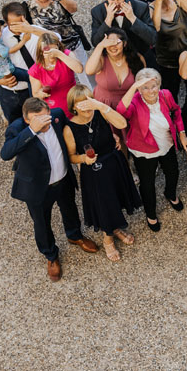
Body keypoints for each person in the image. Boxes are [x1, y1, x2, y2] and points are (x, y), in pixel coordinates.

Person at [0, 98, 99, 281]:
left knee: (70, 209)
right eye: (38, 119)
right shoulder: (18, 128)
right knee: (41, 222)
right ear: (27, 119)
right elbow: (6, 153)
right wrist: (32, 130)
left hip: (63, 179)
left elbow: (74, 132)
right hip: (37, 187)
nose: (45, 122)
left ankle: (74, 235)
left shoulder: (57, 116)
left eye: (46, 117)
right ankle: (51, 255)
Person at [62, 85, 140, 261]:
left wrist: (100, 106)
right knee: (104, 204)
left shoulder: (100, 112)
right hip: (94, 172)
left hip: (114, 163)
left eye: (89, 101)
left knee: (116, 199)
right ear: (73, 106)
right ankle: (108, 239)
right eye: (81, 104)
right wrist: (84, 159)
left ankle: (115, 228)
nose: (87, 107)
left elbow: (122, 124)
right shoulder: (70, 129)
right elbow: (71, 157)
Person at [117, 68, 187, 232]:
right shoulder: (135, 101)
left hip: (166, 144)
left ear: (159, 85)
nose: (150, 91)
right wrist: (134, 87)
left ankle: (170, 194)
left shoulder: (165, 95)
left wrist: (182, 133)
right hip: (144, 150)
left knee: (173, 172)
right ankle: (151, 214)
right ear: (139, 89)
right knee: (147, 184)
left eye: (153, 86)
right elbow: (121, 110)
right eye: (145, 87)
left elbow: (176, 112)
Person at [0, 3, 57, 122]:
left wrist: (31, 29)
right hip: (10, 91)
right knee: (14, 122)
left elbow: (57, 38)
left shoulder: (35, 32)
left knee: (40, 120)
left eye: (21, 22)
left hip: (36, 88)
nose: (19, 27)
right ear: (6, 23)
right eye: (14, 24)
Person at [24, 0, 91, 87]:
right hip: (50, 50)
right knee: (60, 81)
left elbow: (74, 8)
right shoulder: (27, 5)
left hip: (72, 43)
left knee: (86, 75)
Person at [84, 29, 145, 142]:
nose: (112, 46)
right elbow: (88, 70)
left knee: (133, 139)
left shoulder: (137, 58)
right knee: (114, 142)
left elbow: (143, 82)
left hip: (129, 106)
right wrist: (100, 46)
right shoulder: (102, 60)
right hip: (105, 106)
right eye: (108, 43)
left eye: (116, 42)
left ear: (124, 43)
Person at [90, 0, 157, 62]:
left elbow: (152, 39)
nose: (116, 3)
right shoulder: (97, 12)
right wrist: (108, 20)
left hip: (140, 55)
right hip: (113, 60)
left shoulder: (141, 7)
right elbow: (95, 42)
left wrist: (133, 18)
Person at [28, 32, 84, 118]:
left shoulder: (66, 55)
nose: (51, 54)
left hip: (75, 103)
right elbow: (36, 94)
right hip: (55, 111)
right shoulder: (35, 70)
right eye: (47, 51)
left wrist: (59, 54)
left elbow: (79, 69)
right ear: (40, 51)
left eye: (54, 50)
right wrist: (40, 93)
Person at [0, 17, 30, 100]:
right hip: (6, 71)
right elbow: (12, 50)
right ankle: (34, 96)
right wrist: (24, 40)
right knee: (30, 76)